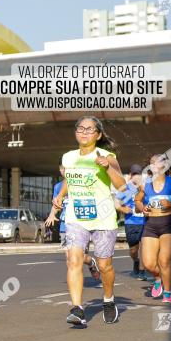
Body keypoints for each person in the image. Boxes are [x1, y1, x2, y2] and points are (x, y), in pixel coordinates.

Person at [52, 116, 127, 327]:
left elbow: (122, 186)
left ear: (98, 134)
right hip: (76, 217)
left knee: (105, 266)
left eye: (90, 129)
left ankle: (109, 300)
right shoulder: (68, 157)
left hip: (103, 218)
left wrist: (108, 168)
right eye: (80, 128)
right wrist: (60, 196)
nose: (84, 132)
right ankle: (77, 309)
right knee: (73, 260)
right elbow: (69, 179)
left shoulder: (107, 155)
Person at [134, 155, 171, 303]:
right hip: (150, 226)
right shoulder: (145, 184)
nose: (153, 164)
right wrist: (142, 208)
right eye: (151, 162)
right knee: (148, 264)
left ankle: (167, 292)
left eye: (157, 162)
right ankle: (158, 278)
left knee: (164, 261)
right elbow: (137, 201)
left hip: (169, 225)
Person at [45, 164, 101, 282]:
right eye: (62, 168)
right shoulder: (58, 187)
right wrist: (52, 215)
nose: (64, 171)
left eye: (67, 168)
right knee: (70, 258)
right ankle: (76, 283)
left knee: (79, 257)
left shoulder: (82, 183)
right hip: (65, 226)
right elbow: (57, 203)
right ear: (60, 170)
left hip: (81, 225)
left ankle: (91, 262)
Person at [115, 164, 147, 280]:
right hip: (131, 223)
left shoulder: (146, 187)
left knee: (144, 247)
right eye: (134, 174)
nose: (136, 176)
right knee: (133, 250)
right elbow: (117, 204)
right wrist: (123, 209)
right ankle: (136, 260)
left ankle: (143, 271)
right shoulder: (125, 188)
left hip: (145, 222)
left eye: (138, 174)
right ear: (130, 175)